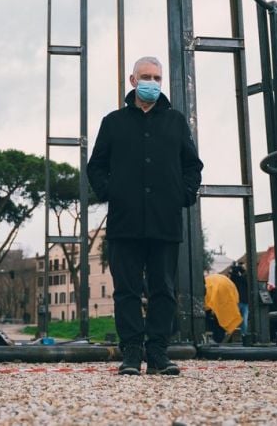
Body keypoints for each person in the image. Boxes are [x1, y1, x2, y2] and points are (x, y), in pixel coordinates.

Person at [88, 56, 204, 376]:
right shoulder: (113, 122)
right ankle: (131, 353)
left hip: (165, 221)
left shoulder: (177, 122)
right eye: (146, 76)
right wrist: (112, 192)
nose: (152, 82)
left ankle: (157, 353)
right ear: (132, 80)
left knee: (163, 289)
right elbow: (96, 166)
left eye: (156, 77)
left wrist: (183, 194)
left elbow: (192, 165)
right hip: (125, 222)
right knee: (125, 289)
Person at [203, 272, 242, 343]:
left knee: (215, 320)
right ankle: (224, 339)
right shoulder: (226, 281)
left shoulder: (209, 282)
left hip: (215, 295)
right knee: (223, 319)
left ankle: (218, 339)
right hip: (226, 293)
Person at [227, 261, 250, 336]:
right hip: (245, 301)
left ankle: (229, 334)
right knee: (244, 320)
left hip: (238, 300)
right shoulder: (245, 278)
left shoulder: (235, 278)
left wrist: (235, 269)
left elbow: (233, 277)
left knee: (233, 318)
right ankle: (244, 335)